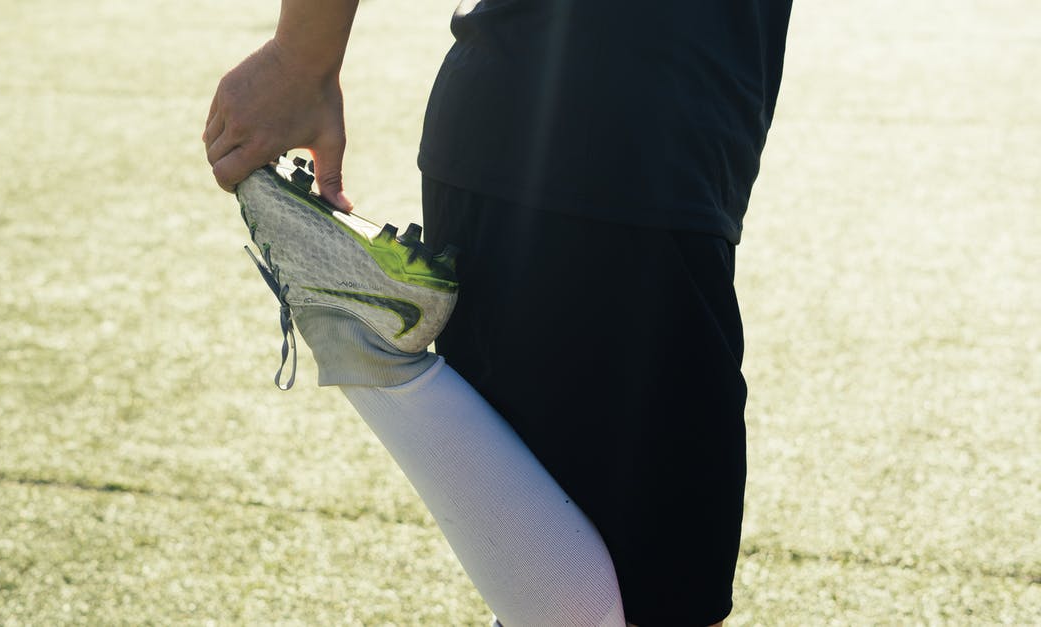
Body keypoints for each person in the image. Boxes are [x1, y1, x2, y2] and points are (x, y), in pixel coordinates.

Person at [204, 1, 792, 625]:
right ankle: (369, 345)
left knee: (635, 579)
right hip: (613, 146)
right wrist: (301, 56)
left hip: (593, 136)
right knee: (655, 600)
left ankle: (374, 343)